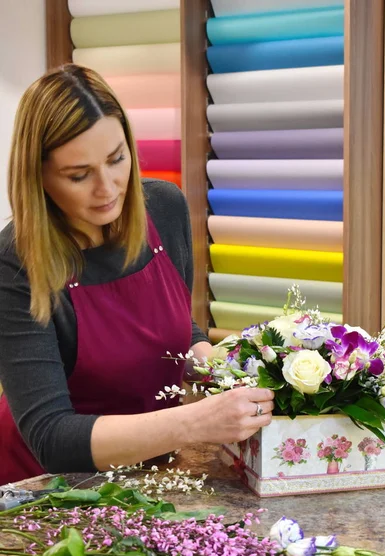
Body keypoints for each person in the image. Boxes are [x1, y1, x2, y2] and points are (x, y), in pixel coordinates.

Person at [0, 64, 274, 485]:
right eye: (79, 175)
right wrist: (197, 421)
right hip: (42, 490)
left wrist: (218, 365)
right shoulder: (17, 259)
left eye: (116, 160)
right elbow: (51, 436)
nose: (107, 188)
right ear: (38, 177)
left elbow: (180, 326)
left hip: (148, 472)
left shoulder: (164, 208)